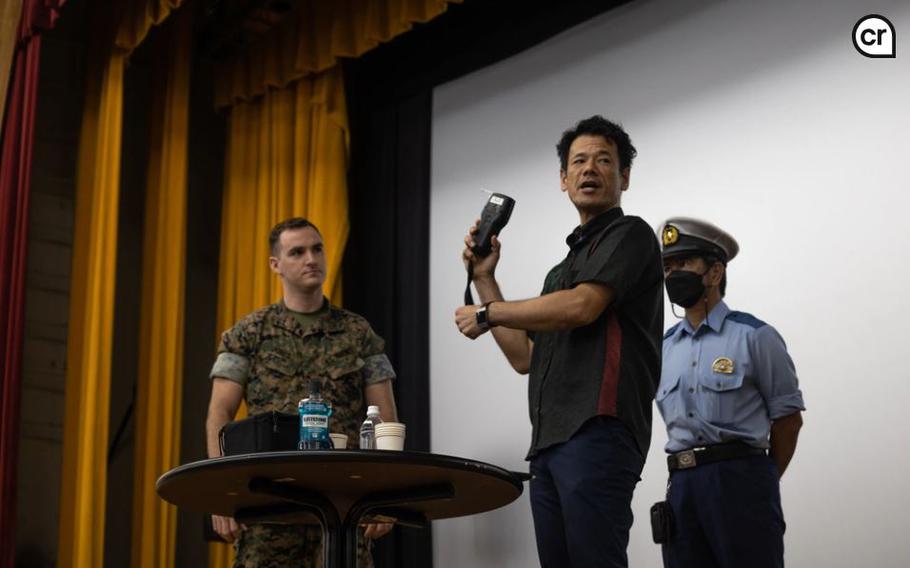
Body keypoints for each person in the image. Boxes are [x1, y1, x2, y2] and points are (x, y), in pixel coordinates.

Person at [455, 116, 664, 568]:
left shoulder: (631, 235)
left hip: (597, 430)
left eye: (604, 160)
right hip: (549, 443)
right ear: (563, 179)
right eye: (579, 161)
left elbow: (582, 307)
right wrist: (486, 279)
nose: (590, 169)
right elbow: (523, 356)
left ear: (624, 177)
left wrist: (488, 313)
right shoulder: (560, 271)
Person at [205, 217, 398, 568]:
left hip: (343, 509)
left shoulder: (359, 333)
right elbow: (219, 415)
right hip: (270, 507)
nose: (311, 258)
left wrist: (383, 497)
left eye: (317, 248)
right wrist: (224, 494)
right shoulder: (248, 333)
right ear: (275, 265)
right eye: (297, 252)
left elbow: (385, 419)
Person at [656, 217, 805, 568]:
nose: (674, 273)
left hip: (740, 480)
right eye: (668, 266)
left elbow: (789, 421)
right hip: (682, 485)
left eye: (685, 263)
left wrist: (759, 482)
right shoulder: (661, 348)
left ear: (715, 272)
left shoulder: (755, 336)